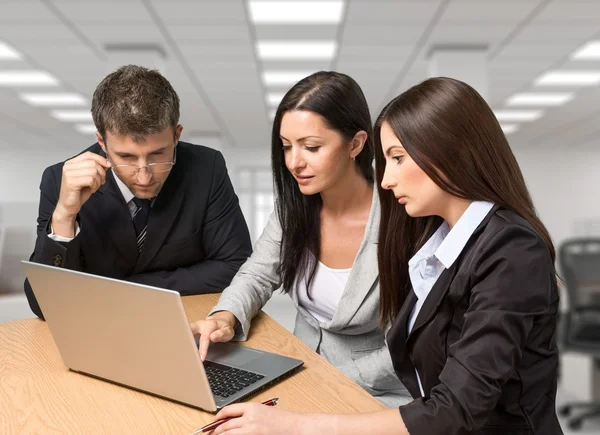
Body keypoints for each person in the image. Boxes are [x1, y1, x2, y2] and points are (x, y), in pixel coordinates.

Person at [206, 77, 563, 435]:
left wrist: (298, 423)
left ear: (448, 151)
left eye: (397, 158)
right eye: (286, 146)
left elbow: (455, 408)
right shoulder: (444, 238)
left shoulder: (511, 250)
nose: (387, 181)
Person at [190, 71, 411, 407]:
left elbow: (409, 344)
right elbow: (258, 273)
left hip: (379, 392)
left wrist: (323, 380)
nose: (294, 162)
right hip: (301, 374)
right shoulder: (294, 206)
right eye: (286, 146)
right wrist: (226, 316)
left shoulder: (402, 215)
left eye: (311, 147)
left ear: (356, 143)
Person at [24, 65, 252, 320]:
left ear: (177, 136)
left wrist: (127, 288)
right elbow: (43, 305)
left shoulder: (207, 168)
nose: (144, 176)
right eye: (126, 157)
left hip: (182, 320)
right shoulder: (60, 179)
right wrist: (65, 215)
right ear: (102, 143)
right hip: (97, 324)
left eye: (158, 154)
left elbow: (235, 266)